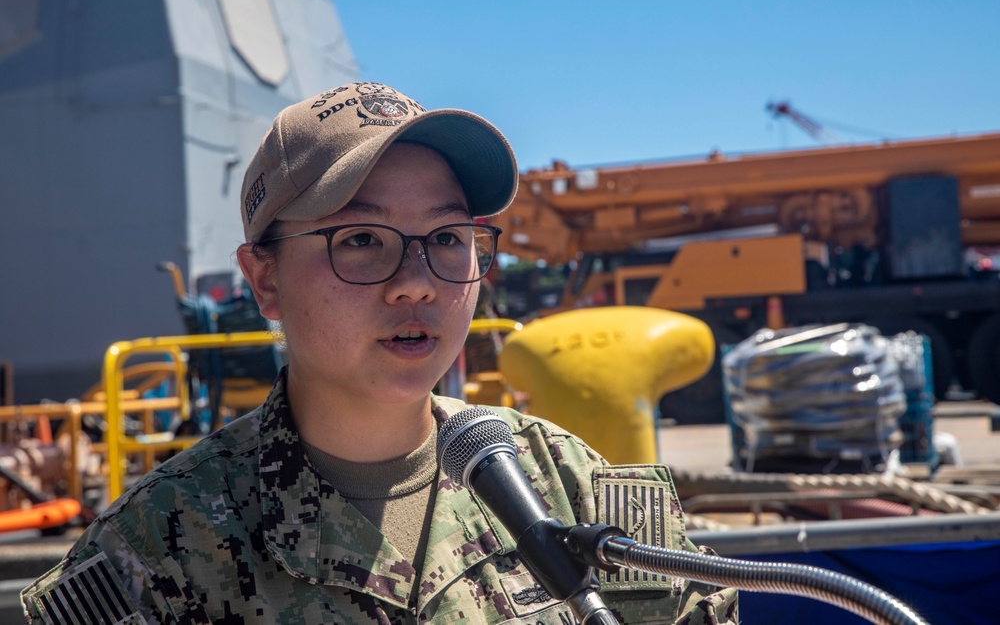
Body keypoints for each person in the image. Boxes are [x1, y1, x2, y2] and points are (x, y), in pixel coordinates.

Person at [21, 82, 738, 623]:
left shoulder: (572, 483)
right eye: (361, 239)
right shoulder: (159, 545)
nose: (416, 284)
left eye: (449, 238)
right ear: (264, 278)